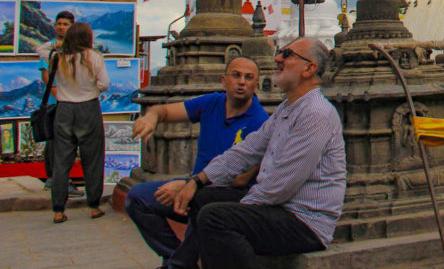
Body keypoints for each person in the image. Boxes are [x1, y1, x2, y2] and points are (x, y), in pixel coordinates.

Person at [172, 38, 346, 269]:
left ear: (309, 68)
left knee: (215, 218)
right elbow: (248, 149)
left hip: (304, 221)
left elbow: (282, 183)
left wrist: (242, 209)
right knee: (202, 198)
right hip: (278, 208)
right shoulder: (288, 108)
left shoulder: (316, 113)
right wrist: (198, 180)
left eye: (287, 54)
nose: (277, 59)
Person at [126, 56, 268, 269]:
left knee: (203, 209)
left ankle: (178, 264)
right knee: (137, 198)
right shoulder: (212, 103)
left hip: (226, 196)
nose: (242, 82)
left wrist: (189, 185)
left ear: (256, 85)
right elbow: (163, 111)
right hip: (194, 185)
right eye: (236, 75)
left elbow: (239, 179)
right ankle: (176, 256)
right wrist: (150, 118)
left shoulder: (259, 121)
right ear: (223, 80)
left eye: (249, 78)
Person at [50, 21, 109, 223]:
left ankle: (58, 209)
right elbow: (105, 84)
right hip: (88, 108)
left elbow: (41, 50)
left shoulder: (58, 58)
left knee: (61, 160)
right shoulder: (94, 57)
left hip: (64, 109)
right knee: (92, 159)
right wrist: (93, 89)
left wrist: (57, 46)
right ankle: (93, 206)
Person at [37, 10, 84, 198]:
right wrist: (62, 98)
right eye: (59, 23)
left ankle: (56, 179)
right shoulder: (48, 50)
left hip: (74, 101)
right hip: (57, 102)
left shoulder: (77, 50)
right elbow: (47, 77)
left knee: (65, 141)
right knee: (56, 141)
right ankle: (58, 181)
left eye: (65, 24)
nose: (61, 27)